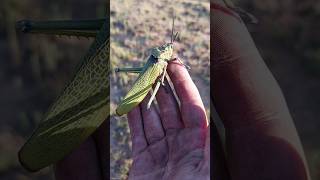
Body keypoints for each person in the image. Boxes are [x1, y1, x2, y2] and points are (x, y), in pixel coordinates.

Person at [54, 0, 310, 179]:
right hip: (146, 79)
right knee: (156, 88)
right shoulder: (165, 60)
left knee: (153, 89)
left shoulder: (162, 55)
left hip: (146, 76)